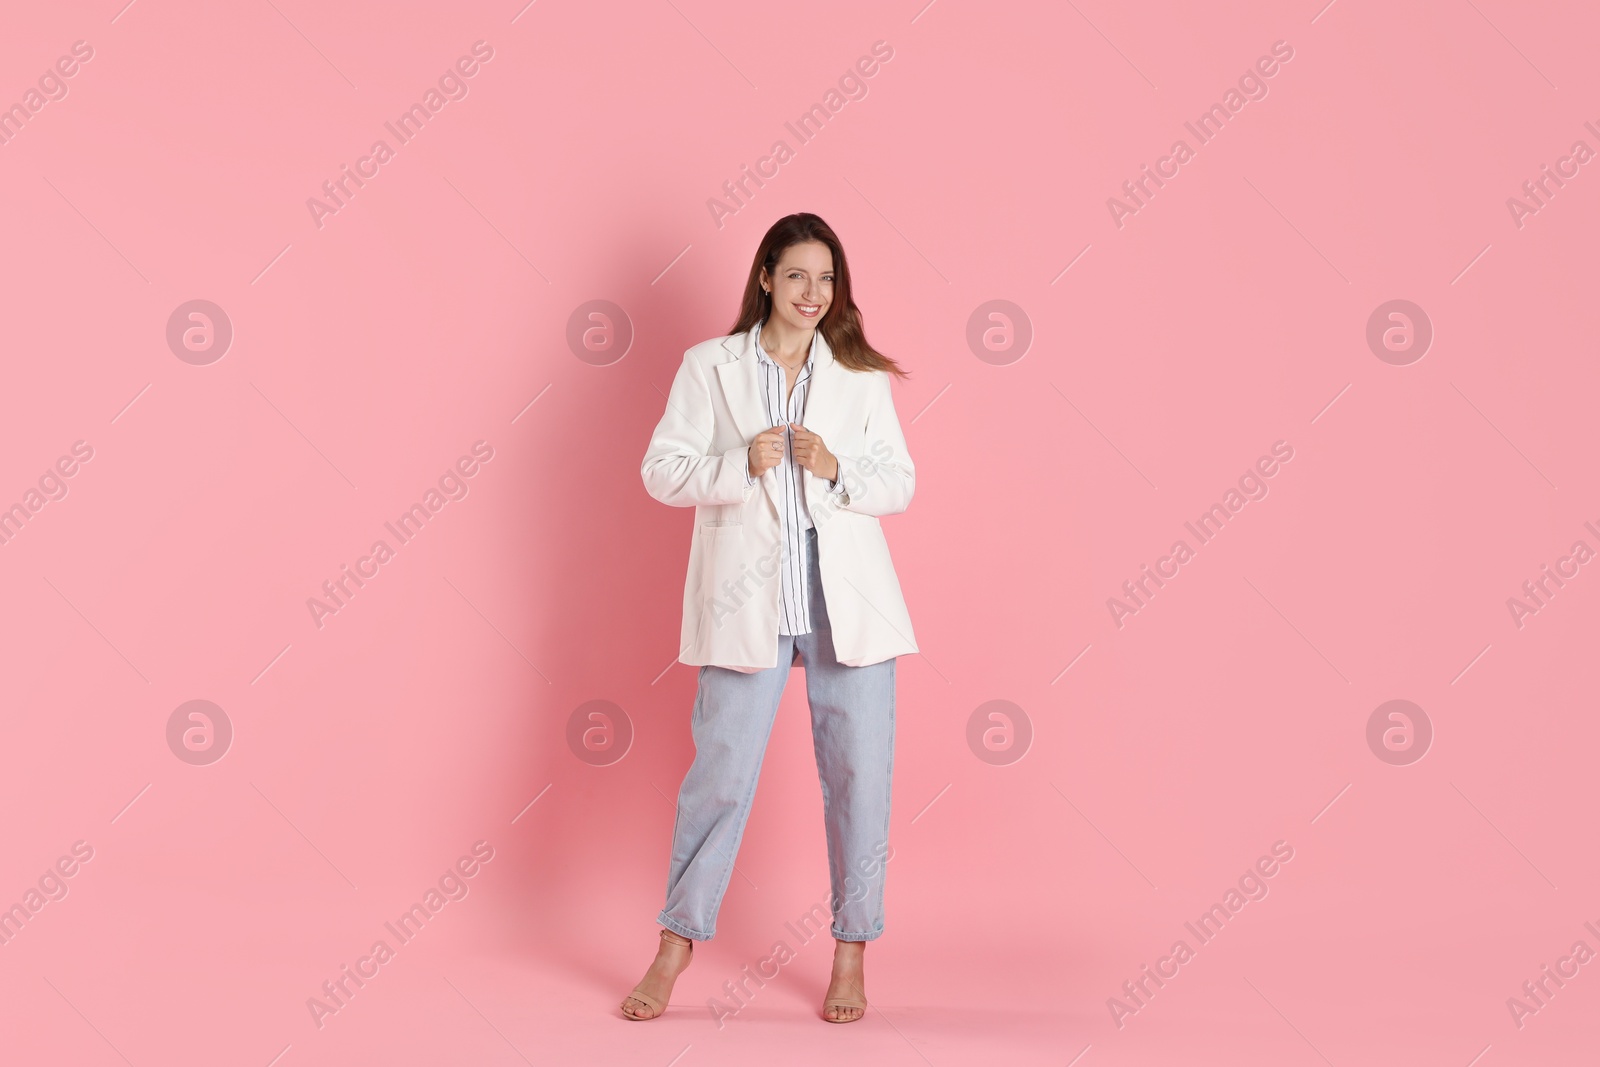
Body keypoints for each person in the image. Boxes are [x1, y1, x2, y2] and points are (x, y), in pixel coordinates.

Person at [625, 212, 918, 1023]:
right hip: (744, 602)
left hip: (844, 606)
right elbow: (661, 469)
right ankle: (675, 944)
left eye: (826, 279)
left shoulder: (860, 376)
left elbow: (900, 482)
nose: (812, 294)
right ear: (765, 277)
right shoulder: (708, 366)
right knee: (719, 774)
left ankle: (852, 953)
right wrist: (731, 463)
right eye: (797, 276)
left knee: (859, 779)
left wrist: (836, 467)